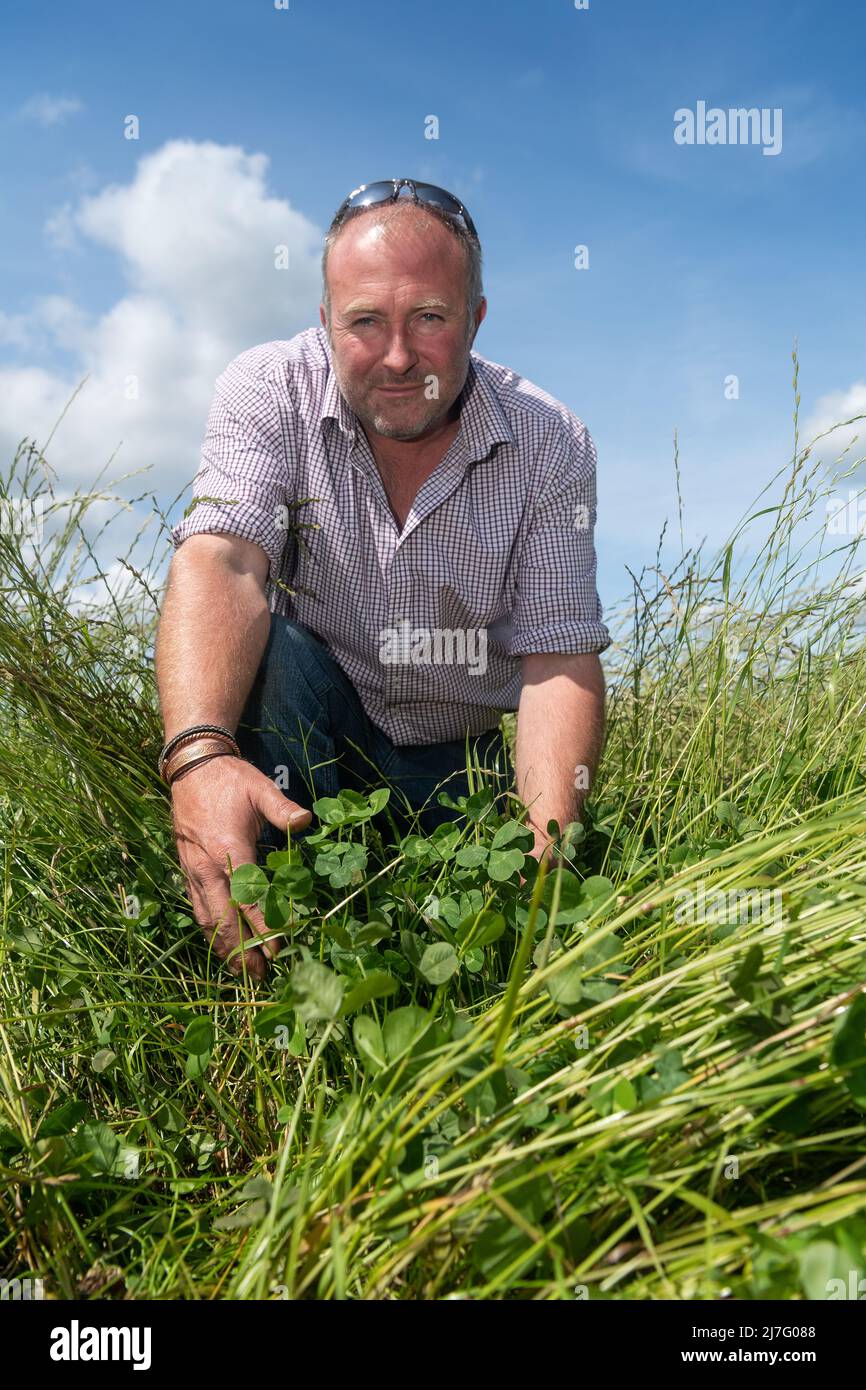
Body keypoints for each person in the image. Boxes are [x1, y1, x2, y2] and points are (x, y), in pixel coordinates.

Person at [155, 178, 610, 980]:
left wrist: (543, 869)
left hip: (458, 765)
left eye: (429, 318)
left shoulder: (551, 440)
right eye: (365, 321)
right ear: (327, 320)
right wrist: (196, 758)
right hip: (309, 726)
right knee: (279, 650)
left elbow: (557, 657)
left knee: (474, 932)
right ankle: (269, 974)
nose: (398, 357)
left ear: (475, 317)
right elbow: (223, 559)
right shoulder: (267, 388)